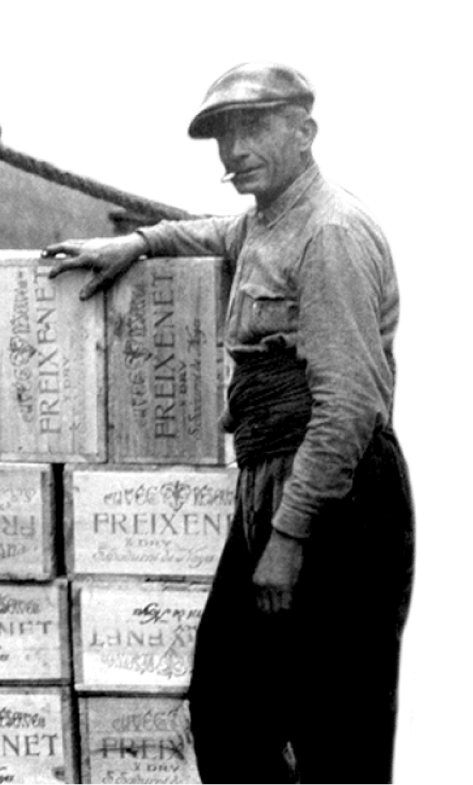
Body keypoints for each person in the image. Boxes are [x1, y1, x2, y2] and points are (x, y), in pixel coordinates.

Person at [45, 61, 417, 784]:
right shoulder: (266, 217)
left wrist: (287, 535)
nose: (236, 150)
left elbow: (349, 408)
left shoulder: (333, 232)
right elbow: (222, 234)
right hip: (276, 481)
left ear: (306, 130)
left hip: (340, 497)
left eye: (255, 128)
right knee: (228, 705)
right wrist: (140, 243)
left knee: (340, 725)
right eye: (223, 137)